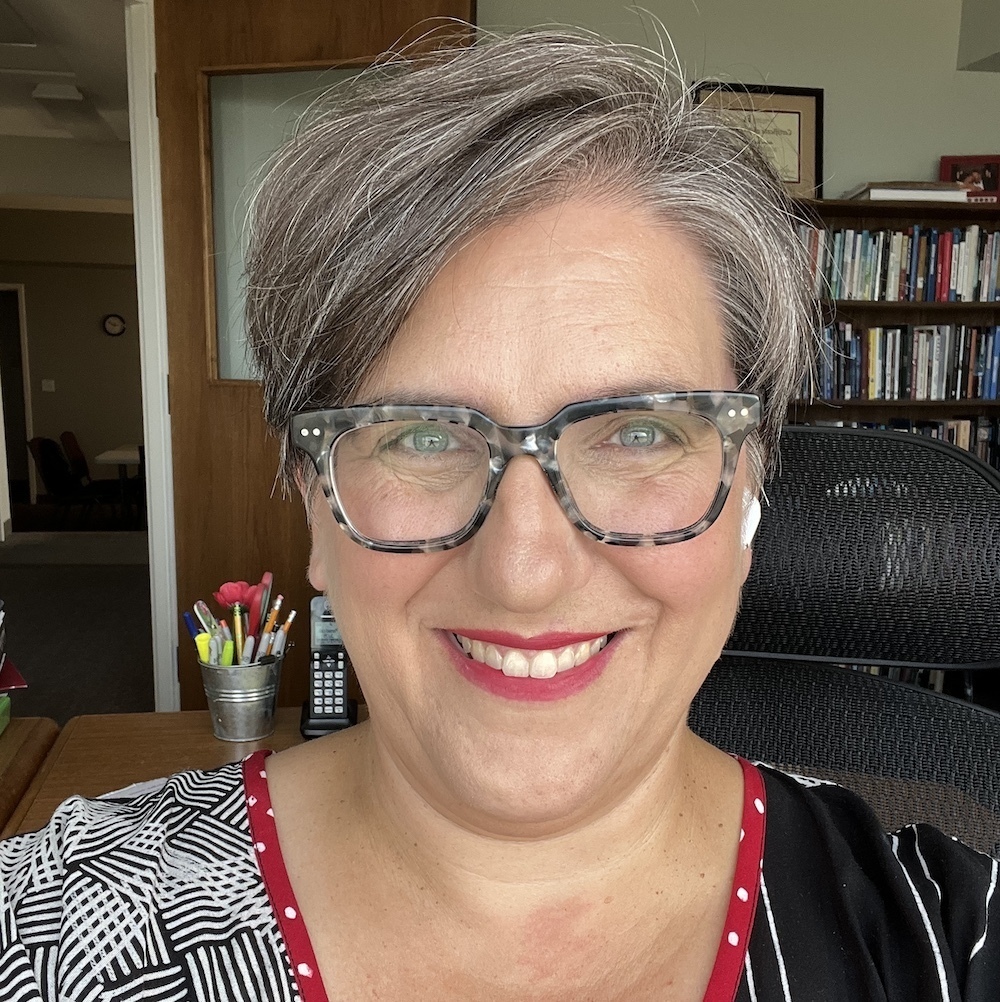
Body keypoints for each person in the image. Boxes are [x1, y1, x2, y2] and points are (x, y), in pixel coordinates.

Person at [2, 27, 999, 1002]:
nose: (524, 568)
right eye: (422, 436)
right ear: (315, 499)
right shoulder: (50, 937)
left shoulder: (947, 942)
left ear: (749, 490)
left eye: (640, 432)